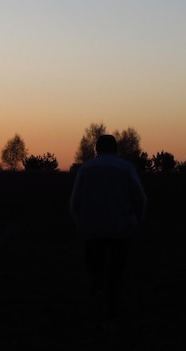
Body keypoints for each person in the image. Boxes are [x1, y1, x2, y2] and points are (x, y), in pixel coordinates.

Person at [69, 134, 147, 333]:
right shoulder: (126, 169)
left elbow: (75, 201)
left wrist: (80, 223)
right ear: (116, 148)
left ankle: (96, 301)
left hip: (92, 229)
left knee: (95, 269)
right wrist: (136, 221)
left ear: (96, 148)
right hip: (121, 230)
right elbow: (140, 198)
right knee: (116, 274)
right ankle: (111, 314)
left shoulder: (86, 170)